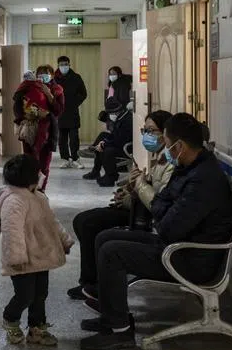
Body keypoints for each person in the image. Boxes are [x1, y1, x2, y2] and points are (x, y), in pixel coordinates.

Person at [79, 112, 232, 350]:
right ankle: (111, 318)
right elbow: (162, 203)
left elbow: (168, 224)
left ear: (180, 146)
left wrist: (160, 209)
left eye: (167, 142)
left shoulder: (203, 180)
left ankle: (120, 331)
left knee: (113, 252)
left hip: (190, 258)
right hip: (176, 243)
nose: (166, 149)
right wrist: (161, 210)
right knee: (105, 237)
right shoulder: (190, 168)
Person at [66, 110, 173, 300]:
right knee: (83, 220)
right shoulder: (159, 157)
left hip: (145, 215)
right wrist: (131, 190)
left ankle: (93, 283)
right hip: (139, 207)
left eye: (152, 131)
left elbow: (159, 201)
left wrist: (134, 191)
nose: (147, 136)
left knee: (89, 224)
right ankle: (90, 281)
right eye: (144, 130)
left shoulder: (169, 160)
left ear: (166, 134)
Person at [0, 154, 74, 347]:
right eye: (38, 172)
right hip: (22, 258)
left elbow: (51, 222)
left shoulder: (39, 197)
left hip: (40, 255)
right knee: (25, 295)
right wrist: (16, 257)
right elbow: (11, 232)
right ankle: (10, 319)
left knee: (40, 294)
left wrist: (64, 240)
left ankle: (37, 328)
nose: (41, 174)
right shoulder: (14, 201)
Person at [13, 65, 65, 191]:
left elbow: (58, 110)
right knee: (29, 160)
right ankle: (30, 188)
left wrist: (48, 95)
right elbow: (17, 105)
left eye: (46, 73)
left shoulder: (57, 89)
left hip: (47, 130)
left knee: (44, 163)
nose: (43, 76)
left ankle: (41, 190)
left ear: (52, 75)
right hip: (30, 128)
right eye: (40, 73)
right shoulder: (28, 86)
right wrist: (25, 116)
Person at [82, 97, 134, 186]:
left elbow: (120, 140)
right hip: (120, 142)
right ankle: (95, 158)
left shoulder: (127, 121)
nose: (110, 115)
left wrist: (104, 144)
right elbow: (115, 135)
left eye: (110, 113)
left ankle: (110, 177)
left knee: (107, 150)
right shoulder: (120, 117)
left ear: (116, 111)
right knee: (103, 136)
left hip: (126, 147)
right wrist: (104, 142)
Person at [54, 55, 88, 170]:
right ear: (58, 66)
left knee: (74, 137)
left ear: (69, 64)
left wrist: (74, 102)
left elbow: (83, 93)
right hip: (60, 112)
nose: (64, 66)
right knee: (62, 138)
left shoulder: (76, 77)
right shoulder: (54, 79)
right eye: (61, 64)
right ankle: (65, 159)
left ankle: (75, 159)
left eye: (66, 64)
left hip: (72, 111)